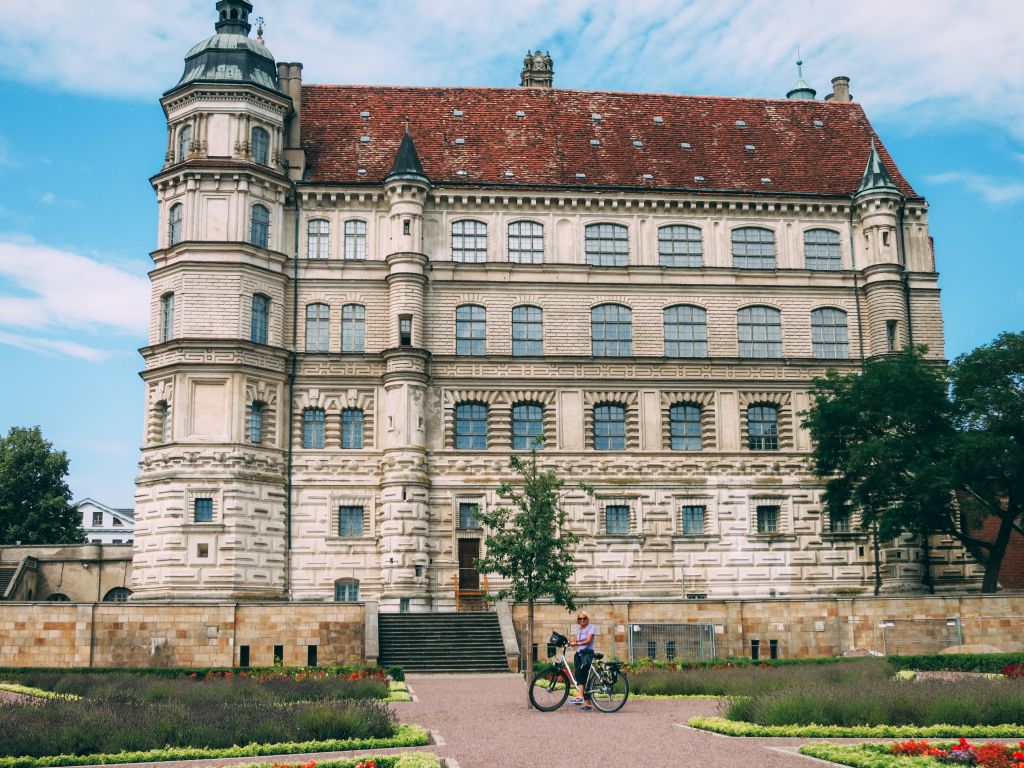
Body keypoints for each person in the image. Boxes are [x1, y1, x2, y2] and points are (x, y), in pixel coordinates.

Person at [569, 611, 596, 710]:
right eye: (580, 619)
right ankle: (587, 703)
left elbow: (589, 640)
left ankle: (580, 696)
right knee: (581, 676)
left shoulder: (591, 627)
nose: (582, 620)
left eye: (584, 618)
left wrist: (578, 644)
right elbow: (577, 640)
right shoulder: (579, 629)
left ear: (587, 619)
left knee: (581, 673)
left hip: (587, 654)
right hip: (579, 654)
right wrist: (571, 642)